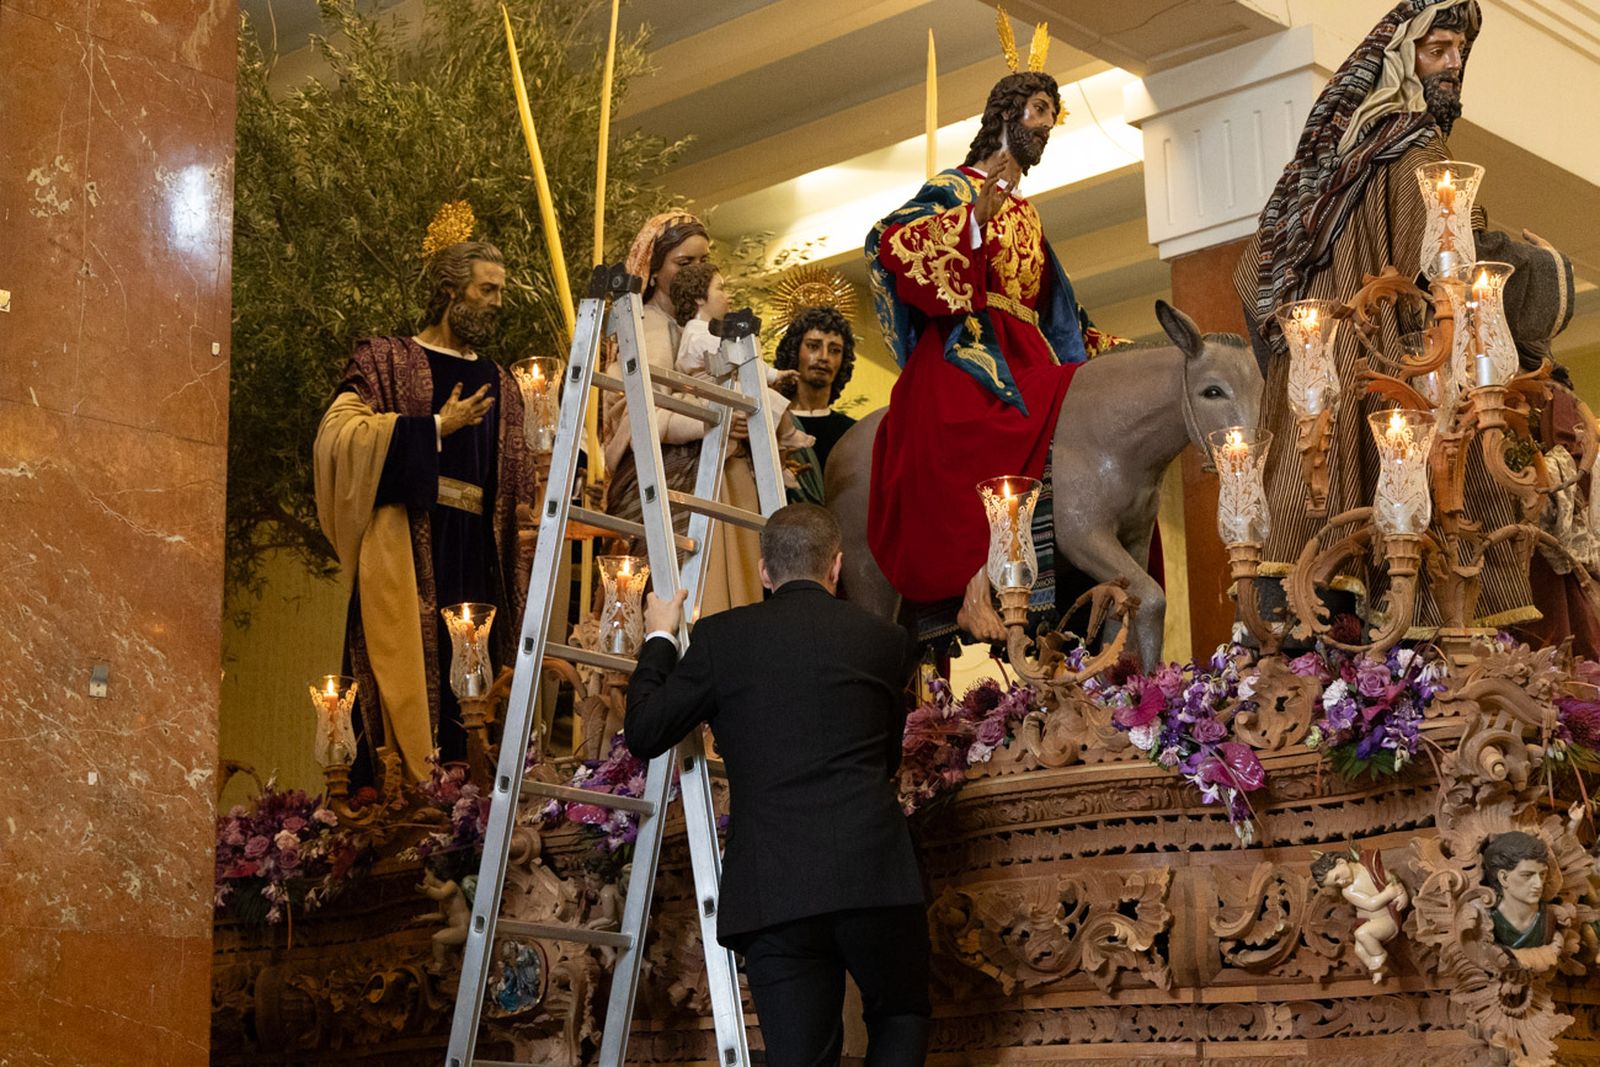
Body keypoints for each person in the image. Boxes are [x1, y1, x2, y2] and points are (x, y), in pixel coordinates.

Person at [1233, 0, 1577, 632]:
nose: (1450, 65)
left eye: (1458, 53)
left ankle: (1321, 612)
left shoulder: (1332, 159)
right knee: (1447, 465)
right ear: (1400, 57)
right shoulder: (1415, 141)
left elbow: (1260, 265)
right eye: (1436, 49)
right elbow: (1450, 259)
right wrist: (1542, 265)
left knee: (1328, 481)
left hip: (1320, 354)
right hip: (1382, 345)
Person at [623, 504, 928, 1065]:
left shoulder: (721, 639)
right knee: (900, 1014)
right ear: (835, 567)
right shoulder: (884, 641)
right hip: (874, 875)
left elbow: (644, 731)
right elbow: (887, 759)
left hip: (776, 888)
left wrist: (662, 635)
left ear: (765, 572)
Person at [864, 63, 1111, 636]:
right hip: (967, 353)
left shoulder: (1027, 212)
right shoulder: (954, 187)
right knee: (998, 427)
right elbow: (891, 241)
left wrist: (1107, 352)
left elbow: (1059, 308)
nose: (1049, 126)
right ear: (1008, 113)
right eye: (1041, 110)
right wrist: (972, 219)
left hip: (1031, 350)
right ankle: (976, 587)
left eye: (1053, 115)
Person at [313, 238, 536, 783]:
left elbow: (519, 477)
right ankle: (397, 795)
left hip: (478, 553)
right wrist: (435, 428)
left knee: (475, 684)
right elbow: (337, 438)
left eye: (500, 291)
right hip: (407, 546)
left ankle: (471, 797)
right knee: (405, 674)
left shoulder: (504, 381)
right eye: (487, 289)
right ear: (448, 291)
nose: (497, 302)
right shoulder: (385, 359)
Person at [603, 212, 763, 615]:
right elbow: (645, 415)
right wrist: (717, 419)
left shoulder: (696, 327)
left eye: (704, 261)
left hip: (706, 474)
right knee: (675, 589)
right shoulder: (649, 326)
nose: (697, 271)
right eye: (683, 262)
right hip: (666, 479)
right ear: (654, 271)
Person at [668, 261, 813, 472]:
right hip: (715, 393)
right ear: (699, 297)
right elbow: (742, 360)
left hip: (722, 388)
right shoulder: (699, 334)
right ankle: (787, 437)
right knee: (764, 399)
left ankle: (780, 458)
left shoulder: (703, 333)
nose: (729, 296)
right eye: (721, 288)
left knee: (763, 401)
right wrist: (774, 375)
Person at [773, 305, 859, 482]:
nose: (823, 357)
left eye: (835, 350)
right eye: (813, 346)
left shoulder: (852, 433)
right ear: (795, 351)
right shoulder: (773, 422)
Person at [1482, 830, 1552, 949]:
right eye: (1527, 875)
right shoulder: (1488, 921)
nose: (1539, 884)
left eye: (1542, 875)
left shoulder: (1548, 919)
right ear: (1503, 878)